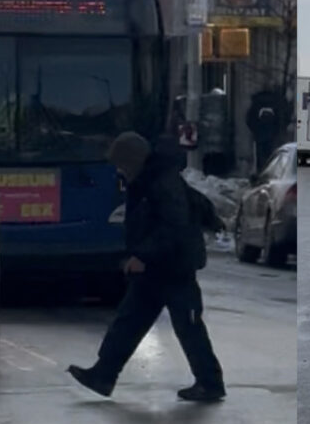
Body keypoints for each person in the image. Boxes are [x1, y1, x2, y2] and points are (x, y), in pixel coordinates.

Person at [69, 133, 225, 402]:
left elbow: (172, 226)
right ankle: (103, 375)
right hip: (156, 268)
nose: (119, 170)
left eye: (122, 164)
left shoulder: (161, 183)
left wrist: (143, 255)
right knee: (128, 322)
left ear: (133, 161)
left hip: (175, 266)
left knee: (188, 327)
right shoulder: (146, 180)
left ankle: (210, 384)